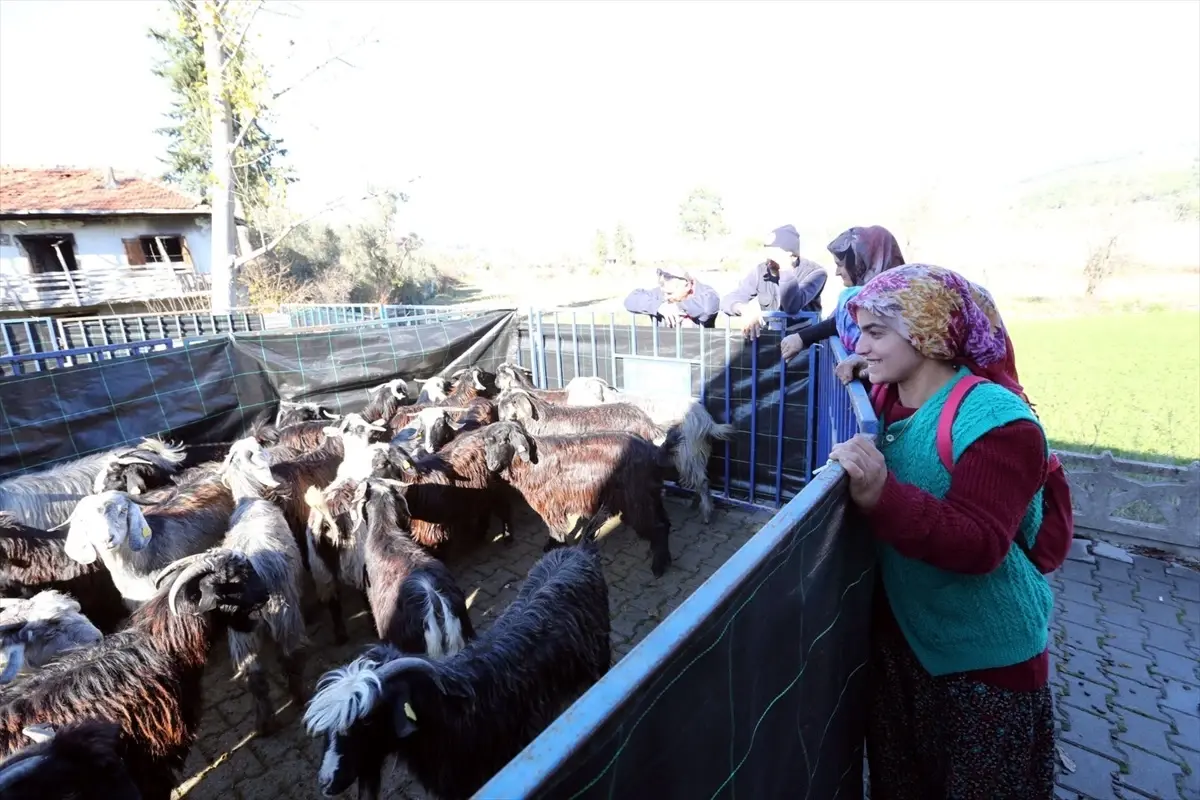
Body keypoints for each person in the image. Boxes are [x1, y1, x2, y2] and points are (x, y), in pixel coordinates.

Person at [828, 264, 1057, 800]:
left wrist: (881, 495)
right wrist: (863, 372)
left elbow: (979, 543)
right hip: (907, 645)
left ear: (927, 336)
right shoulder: (892, 396)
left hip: (984, 668)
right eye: (861, 331)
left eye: (875, 333)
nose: (860, 345)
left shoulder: (1000, 422)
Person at [779, 225, 905, 365]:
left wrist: (865, 362)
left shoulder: (888, 301)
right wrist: (802, 338)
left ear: (860, 262)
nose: (837, 272)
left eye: (840, 264)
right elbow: (838, 321)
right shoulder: (861, 298)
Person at [719, 223, 828, 339]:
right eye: (767, 256)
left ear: (793, 256)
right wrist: (744, 309)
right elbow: (728, 300)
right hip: (772, 340)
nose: (768, 263)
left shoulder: (815, 273)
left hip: (804, 343)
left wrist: (784, 271)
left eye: (774, 257)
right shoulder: (760, 271)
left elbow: (792, 307)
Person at [622, 267, 720, 328]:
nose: (666, 297)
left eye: (670, 293)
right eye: (664, 292)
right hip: (668, 354)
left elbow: (708, 307)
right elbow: (630, 300)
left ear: (687, 286)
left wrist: (678, 307)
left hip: (700, 354)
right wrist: (659, 306)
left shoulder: (706, 293)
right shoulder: (662, 292)